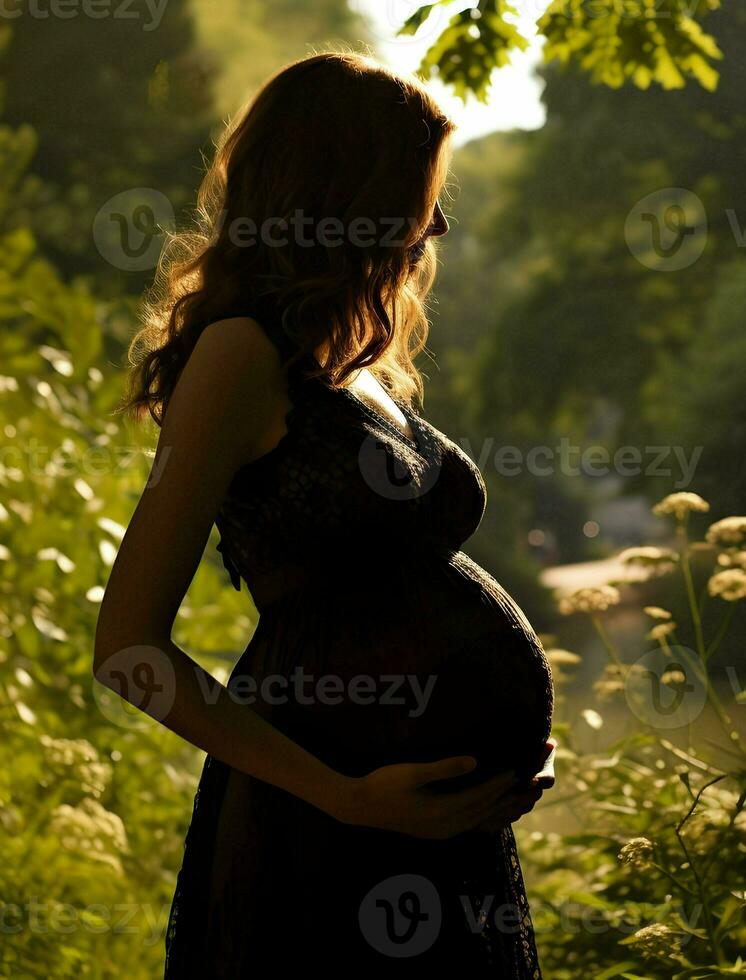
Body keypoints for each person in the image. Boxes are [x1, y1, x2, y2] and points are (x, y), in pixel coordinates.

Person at [94, 52, 554, 977]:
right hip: (327, 828)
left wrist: (505, 747)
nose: (433, 230)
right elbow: (127, 651)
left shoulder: (346, 364)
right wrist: (345, 798)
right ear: (351, 197)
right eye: (420, 202)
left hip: (430, 827)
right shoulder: (238, 358)